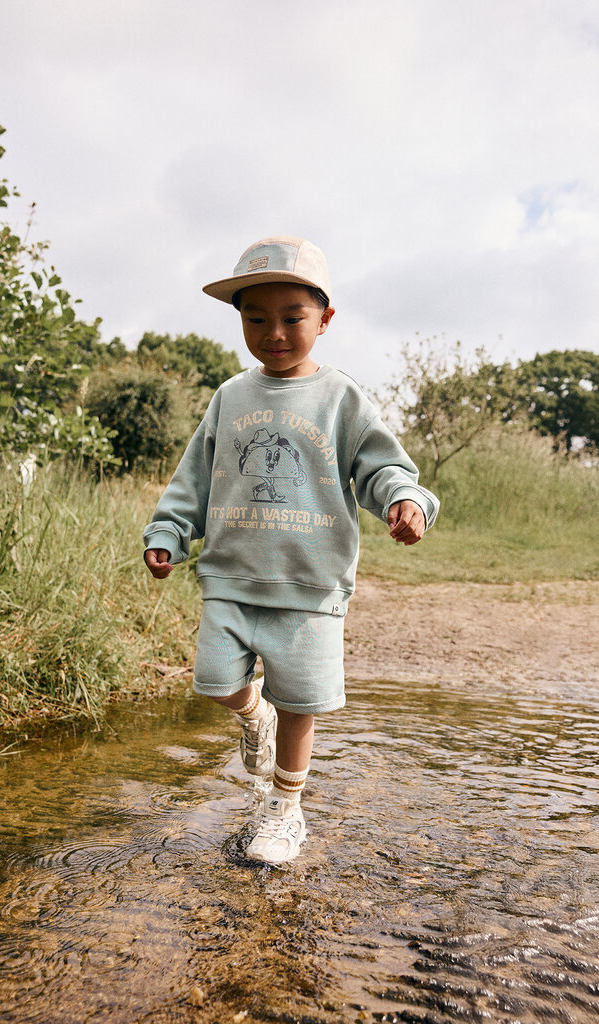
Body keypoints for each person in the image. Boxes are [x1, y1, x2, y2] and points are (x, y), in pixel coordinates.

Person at [143, 236, 439, 865]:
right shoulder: (231, 396)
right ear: (240, 319)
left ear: (325, 320)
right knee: (217, 684)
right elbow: (194, 477)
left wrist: (404, 501)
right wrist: (169, 531)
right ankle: (253, 718)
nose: (273, 332)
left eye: (291, 318)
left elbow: (382, 466)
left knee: (299, 703)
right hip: (230, 577)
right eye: (256, 319)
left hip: (309, 584)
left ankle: (284, 809)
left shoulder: (340, 399)